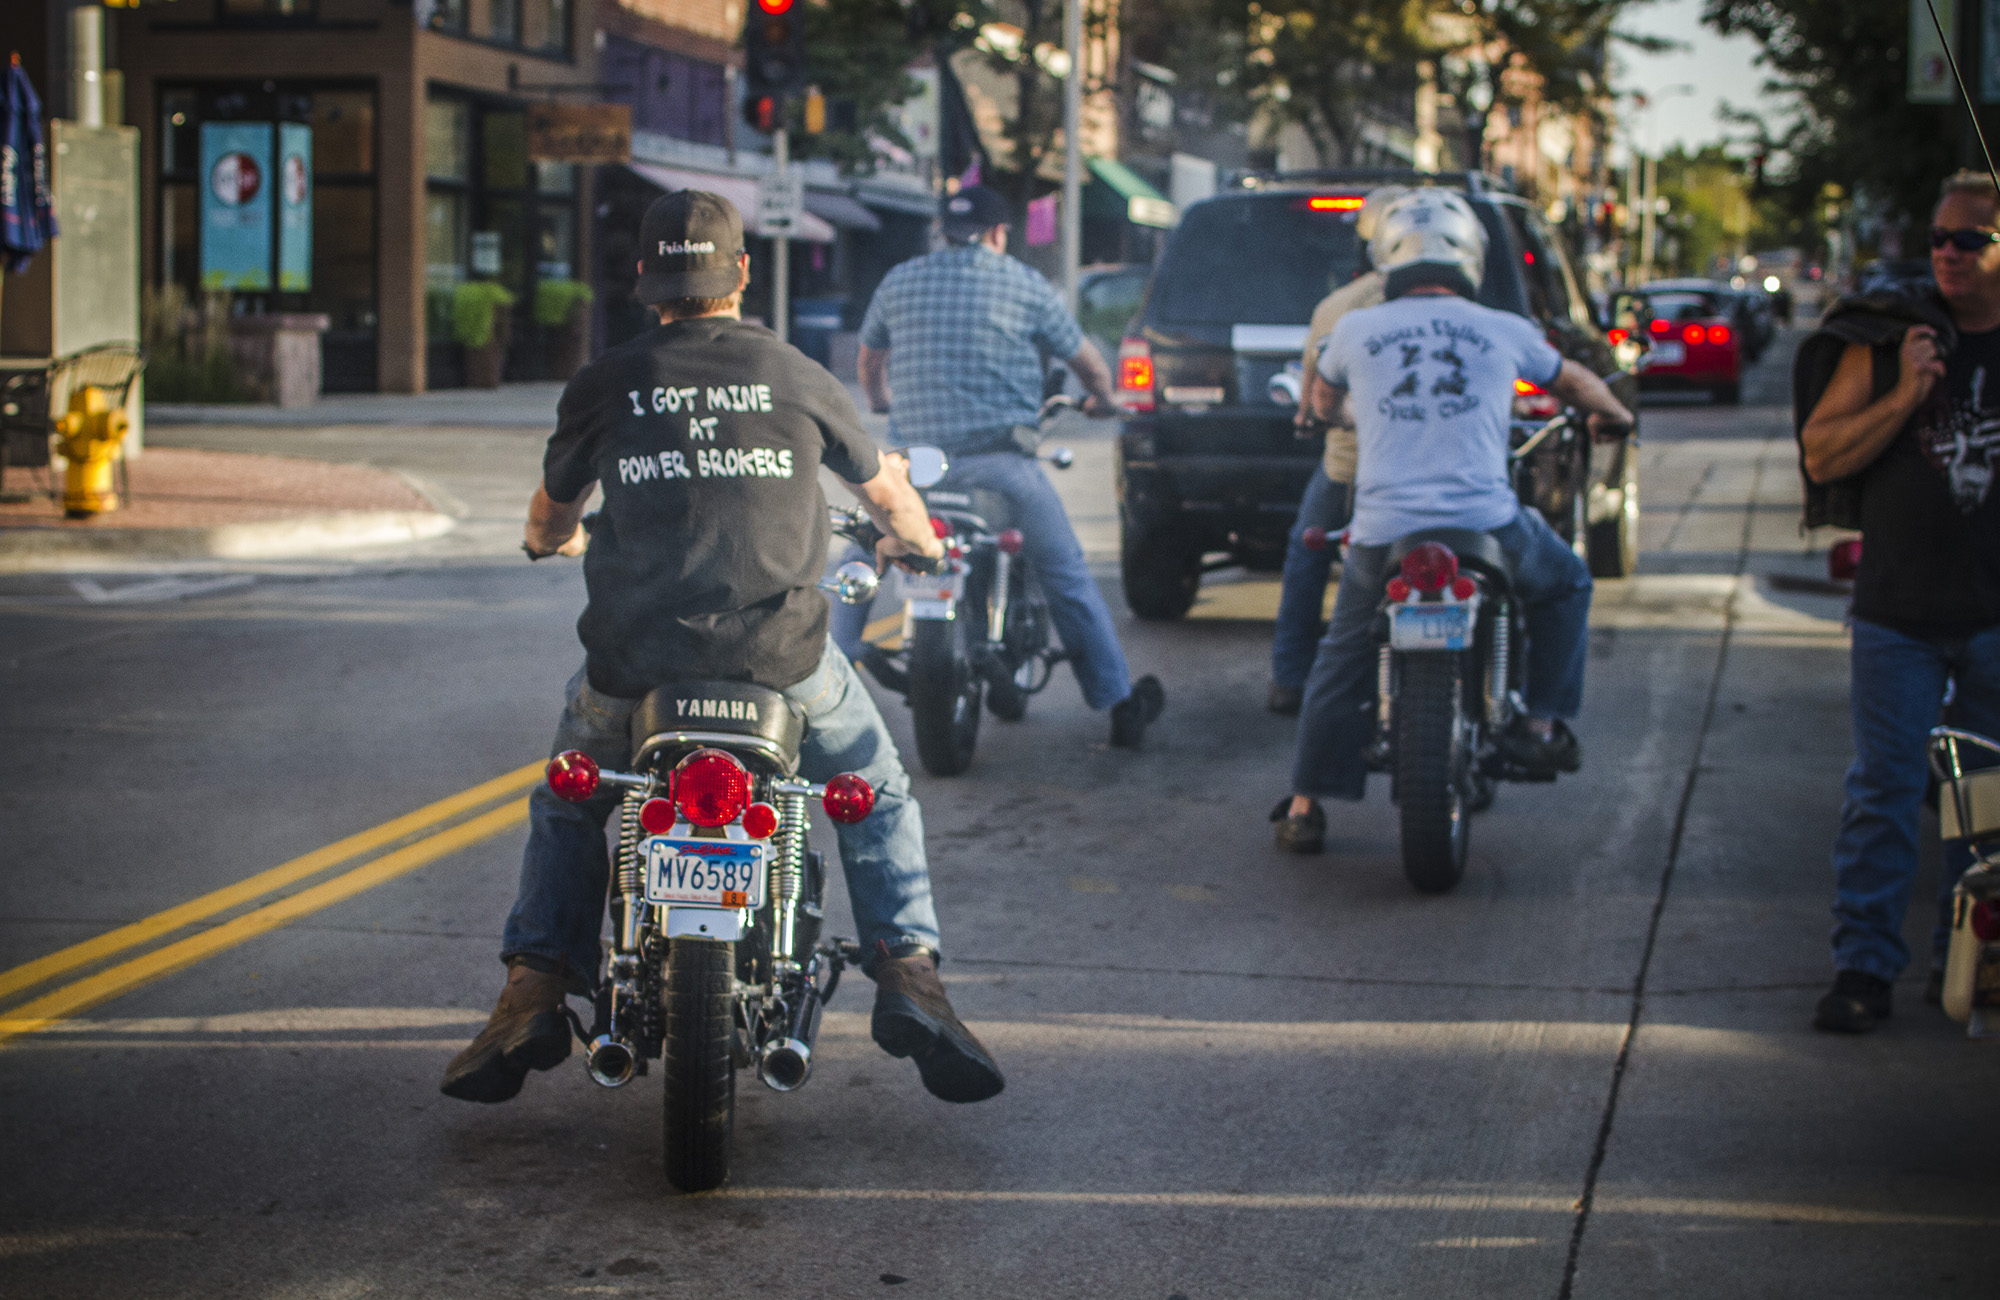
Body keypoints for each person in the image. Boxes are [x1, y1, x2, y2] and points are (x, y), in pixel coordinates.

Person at [441, 190, 1005, 1106]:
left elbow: (552, 514)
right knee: (879, 793)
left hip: (635, 664)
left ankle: (533, 987)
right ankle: (910, 974)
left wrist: (550, 543)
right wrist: (923, 543)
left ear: (644, 283)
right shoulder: (798, 375)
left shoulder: (604, 383)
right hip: (780, 660)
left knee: (569, 804)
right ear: (740, 273)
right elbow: (889, 499)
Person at [1271, 188, 1632, 853]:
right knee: (1568, 582)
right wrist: (1615, 415)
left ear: (1386, 253)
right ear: (1469, 255)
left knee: (1343, 654)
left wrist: (1346, 415)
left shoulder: (1352, 328)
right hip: (1486, 523)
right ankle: (1544, 725)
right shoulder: (1503, 328)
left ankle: (1303, 804)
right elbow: (1575, 381)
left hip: (1382, 531)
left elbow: (1322, 402)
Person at [842, 184, 1166, 748]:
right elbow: (1086, 362)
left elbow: (870, 360)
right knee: (1066, 574)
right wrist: (1104, 399)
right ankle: (1118, 703)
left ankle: (829, 678)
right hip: (1000, 467)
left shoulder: (899, 280)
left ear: (944, 231)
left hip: (911, 473)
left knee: (855, 565)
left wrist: (879, 399)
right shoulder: (1024, 283)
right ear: (997, 234)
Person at [1798, 170, 2000, 1034]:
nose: (1949, 255)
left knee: (1986, 799)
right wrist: (1908, 393)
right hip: (1898, 613)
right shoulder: (1887, 339)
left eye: (1971, 240)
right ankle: (1864, 969)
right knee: (1884, 789)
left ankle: (1974, 962)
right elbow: (1823, 455)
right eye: (1939, 239)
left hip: (1994, 614)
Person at [1269, 186, 1403, 715]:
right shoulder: (1465, 311)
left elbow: (1313, 404)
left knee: (1307, 553)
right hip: (1438, 473)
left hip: (1348, 470)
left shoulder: (1338, 310)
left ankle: (1290, 678)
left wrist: (1315, 418)